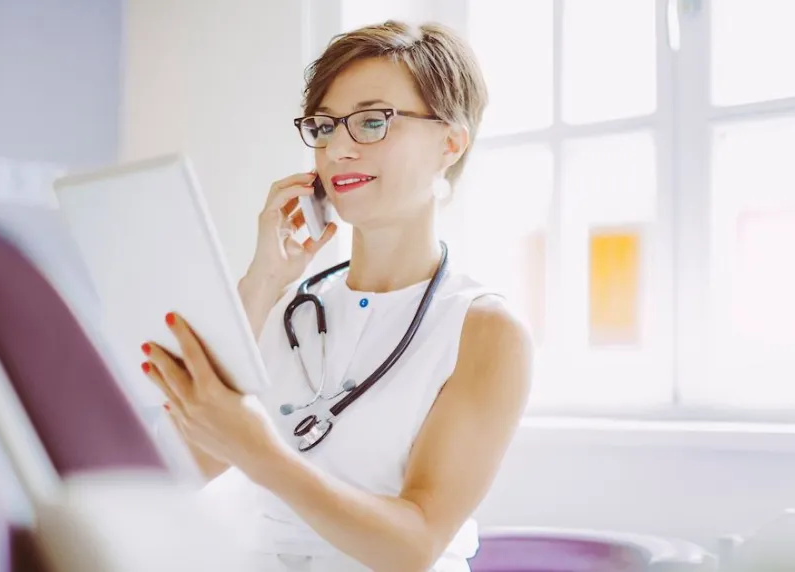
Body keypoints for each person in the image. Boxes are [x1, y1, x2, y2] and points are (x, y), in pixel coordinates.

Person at [138, 20, 533, 572]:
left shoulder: (486, 330)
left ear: (449, 142)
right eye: (324, 127)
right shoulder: (288, 305)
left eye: (372, 122)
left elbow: (413, 545)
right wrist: (264, 281)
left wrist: (261, 453)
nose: (338, 148)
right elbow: (178, 467)